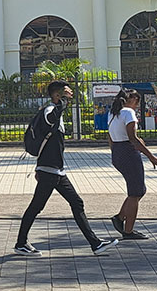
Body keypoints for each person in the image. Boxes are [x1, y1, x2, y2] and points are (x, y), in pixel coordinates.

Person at [14, 81, 119, 256]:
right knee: (36, 207)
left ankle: (95, 244)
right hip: (49, 170)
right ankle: (21, 243)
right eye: (64, 93)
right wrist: (62, 101)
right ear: (56, 95)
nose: (69, 96)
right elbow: (52, 118)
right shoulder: (49, 111)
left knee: (75, 202)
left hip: (55, 170)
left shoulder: (56, 111)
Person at [108, 87, 157, 239]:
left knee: (137, 190)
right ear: (130, 100)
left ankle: (120, 218)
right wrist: (151, 156)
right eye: (136, 100)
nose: (137, 103)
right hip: (128, 152)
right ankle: (128, 231)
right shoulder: (128, 112)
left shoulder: (113, 113)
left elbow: (111, 138)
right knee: (136, 192)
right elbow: (132, 138)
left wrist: (115, 153)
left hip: (118, 151)